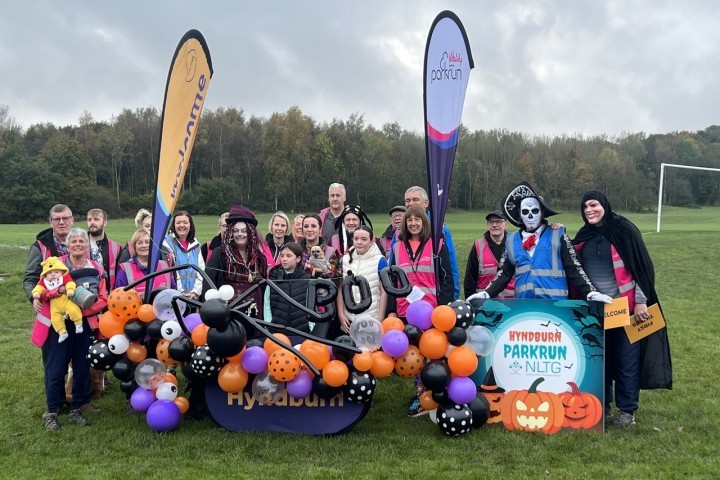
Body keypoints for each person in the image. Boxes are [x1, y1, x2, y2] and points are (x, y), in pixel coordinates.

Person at [572, 190, 672, 427]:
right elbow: (571, 260)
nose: (589, 210)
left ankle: (627, 412)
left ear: (604, 205)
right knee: (600, 360)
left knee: (627, 360)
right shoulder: (584, 235)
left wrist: (640, 300)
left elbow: (643, 268)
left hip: (626, 310)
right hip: (597, 312)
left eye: (593, 205)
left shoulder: (624, 230)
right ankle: (602, 407)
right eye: (585, 206)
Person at [468, 182, 611, 304]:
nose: (530, 216)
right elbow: (504, 274)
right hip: (525, 308)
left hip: (556, 308)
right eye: (525, 211)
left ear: (542, 213)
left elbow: (574, 269)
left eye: (534, 211)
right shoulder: (511, 241)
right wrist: (486, 293)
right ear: (519, 214)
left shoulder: (558, 235)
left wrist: (590, 293)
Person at [34, 228, 107, 430]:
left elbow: (103, 298)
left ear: (87, 245)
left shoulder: (96, 268)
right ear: (67, 245)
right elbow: (42, 290)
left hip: (83, 324)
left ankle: (77, 407)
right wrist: (47, 296)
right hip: (58, 325)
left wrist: (84, 311)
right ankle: (52, 410)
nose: (77, 244)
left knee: (82, 367)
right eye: (73, 241)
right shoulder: (55, 265)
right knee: (56, 368)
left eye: (81, 241)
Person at [387, 205, 453, 417]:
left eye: (418, 219)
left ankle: (439, 395)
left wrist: (444, 306)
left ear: (424, 223)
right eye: (409, 220)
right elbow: (392, 281)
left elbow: (446, 278)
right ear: (404, 224)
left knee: (434, 355)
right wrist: (391, 310)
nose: (413, 223)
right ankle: (420, 396)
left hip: (431, 311)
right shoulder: (397, 247)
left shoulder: (437, 244)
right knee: (415, 358)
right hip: (406, 310)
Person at [204, 204, 269, 327]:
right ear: (231, 233)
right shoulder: (220, 254)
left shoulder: (259, 258)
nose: (240, 234)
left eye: (244, 231)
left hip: (255, 314)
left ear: (250, 233)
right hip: (229, 314)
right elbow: (208, 284)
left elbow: (264, 287)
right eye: (236, 230)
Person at [403, 186, 460, 300]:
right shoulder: (401, 231)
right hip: (405, 302)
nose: (411, 203)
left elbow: (450, 268)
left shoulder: (440, 229)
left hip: (434, 301)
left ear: (426, 202)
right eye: (408, 200)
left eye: (415, 199)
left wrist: (452, 297)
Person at [337, 226, 387, 333]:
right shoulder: (344, 260)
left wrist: (379, 321)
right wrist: (341, 314)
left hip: (371, 318)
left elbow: (384, 292)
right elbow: (340, 289)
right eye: (356, 239)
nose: (359, 242)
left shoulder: (380, 260)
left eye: (364, 239)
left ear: (371, 240)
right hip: (348, 319)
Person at [24, 204, 74, 310]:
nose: (61, 222)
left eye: (65, 218)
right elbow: (30, 279)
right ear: (51, 222)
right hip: (50, 307)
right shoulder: (40, 246)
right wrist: (34, 299)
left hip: (78, 305)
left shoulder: (83, 243)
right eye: (56, 219)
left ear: (72, 220)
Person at [299, 213, 341, 338]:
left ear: (320, 229)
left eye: (313, 226)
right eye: (306, 226)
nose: (309, 229)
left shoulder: (330, 251)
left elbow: (337, 279)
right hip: (300, 306)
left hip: (324, 307)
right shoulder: (295, 250)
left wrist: (317, 271)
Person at [464, 210, 515, 299]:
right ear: (487, 225)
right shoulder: (478, 246)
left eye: (498, 222)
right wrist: (471, 303)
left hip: (511, 302)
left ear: (505, 224)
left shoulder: (514, 244)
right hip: (485, 304)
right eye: (491, 222)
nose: (494, 225)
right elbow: (470, 279)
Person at [32, 256, 84, 343]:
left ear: (62, 271)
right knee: (55, 319)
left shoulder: (64, 277)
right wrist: (36, 293)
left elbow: (70, 283)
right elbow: (39, 287)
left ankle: (78, 324)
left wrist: (70, 289)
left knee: (73, 310)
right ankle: (62, 332)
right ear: (45, 274)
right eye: (50, 273)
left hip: (65, 301)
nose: (53, 274)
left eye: (56, 272)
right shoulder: (45, 281)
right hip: (54, 306)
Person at [264, 242, 312, 333]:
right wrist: (269, 325)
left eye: (289, 256)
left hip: (302, 331)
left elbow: (311, 306)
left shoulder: (307, 280)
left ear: (298, 259)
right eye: (282, 256)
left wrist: (310, 326)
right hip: (277, 332)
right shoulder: (273, 279)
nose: (284, 259)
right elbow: (267, 304)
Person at [115, 228, 175, 295]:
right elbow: (119, 296)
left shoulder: (165, 266)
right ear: (134, 246)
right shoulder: (125, 269)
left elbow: (173, 291)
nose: (144, 245)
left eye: (147, 242)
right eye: (140, 243)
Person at [163, 211, 204, 301]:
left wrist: (195, 292)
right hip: (174, 296)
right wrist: (180, 293)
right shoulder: (166, 244)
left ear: (190, 225)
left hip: (193, 297)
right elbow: (172, 271)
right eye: (178, 223)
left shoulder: (196, 245)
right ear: (173, 225)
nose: (182, 225)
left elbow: (201, 271)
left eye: (185, 222)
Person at [87, 208, 122, 292]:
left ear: (105, 223)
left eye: (96, 219)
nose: (92, 222)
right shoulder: (79, 245)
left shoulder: (115, 247)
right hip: (86, 295)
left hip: (109, 295)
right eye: (89, 219)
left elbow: (120, 274)